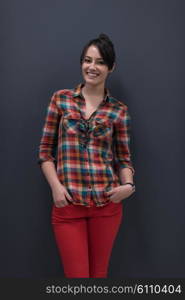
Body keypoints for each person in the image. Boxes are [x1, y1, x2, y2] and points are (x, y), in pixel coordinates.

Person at [38, 33, 135, 278]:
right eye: (87, 60)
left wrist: (128, 185)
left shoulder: (118, 111)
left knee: (99, 276)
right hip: (68, 206)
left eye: (100, 62)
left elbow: (123, 158)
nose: (92, 67)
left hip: (107, 205)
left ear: (111, 67)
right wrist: (55, 187)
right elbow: (45, 151)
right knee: (77, 278)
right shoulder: (61, 99)